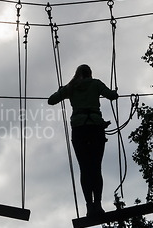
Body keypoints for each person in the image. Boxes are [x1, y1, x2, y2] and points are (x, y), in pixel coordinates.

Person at [48, 64, 118, 217]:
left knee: (85, 169)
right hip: (95, 128)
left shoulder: (71, 87)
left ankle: (89, 207)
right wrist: (114, 92)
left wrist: (62, 91)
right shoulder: (96, 84)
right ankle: (98, 205)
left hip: (79, 130)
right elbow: (112, 96)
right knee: (96, 168)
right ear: (90, 74)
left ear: (77, 74)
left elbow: (51, 100)